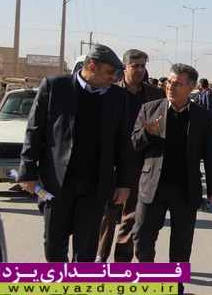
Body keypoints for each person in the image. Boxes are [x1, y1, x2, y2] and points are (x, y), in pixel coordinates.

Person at [17, 44, 131, 262]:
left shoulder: (117, 96)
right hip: (57, 183)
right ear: (92, 67)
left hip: (94, 185)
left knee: (86, 248)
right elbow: (34, 131)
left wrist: (124, 183)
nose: (114, 77)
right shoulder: (55, 87)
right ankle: (60, 280)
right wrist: (28, 172)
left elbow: (123, 142)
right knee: (54, 243)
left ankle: (79, 281)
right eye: (110, 72)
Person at [132, 63, 212, 295]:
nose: (170, 87)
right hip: (152, 187)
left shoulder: (202, 117)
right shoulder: (150, 109)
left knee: (181, 245)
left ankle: (175, 288)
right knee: (142, 239)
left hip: (185, 190)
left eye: (177, 84)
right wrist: (147, 133)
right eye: (169, 82)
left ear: (191, 88)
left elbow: (211, 156)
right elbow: (133, 145)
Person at [96, 49, 165, 263]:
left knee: (132, 212)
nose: (140, 70)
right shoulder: (109, 90)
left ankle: (122, 259)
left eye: (143, 65)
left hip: (140, 160)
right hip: (111, 159)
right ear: (124, 67)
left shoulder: (155, 95)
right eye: (135, 65)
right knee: (107, 210)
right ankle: (100, 255)